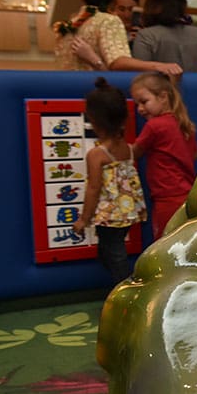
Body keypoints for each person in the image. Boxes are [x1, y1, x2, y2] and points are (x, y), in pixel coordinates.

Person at [72, 77, 147, 284]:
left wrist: (83, 219)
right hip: (127, 213)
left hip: (110, 216)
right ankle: (124, 287)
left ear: (94, 121)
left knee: (115, 256)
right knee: (109, 253)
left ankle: (127, 293)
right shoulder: (128, 148)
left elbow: (93, 188)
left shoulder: (97, 154)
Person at [56, 0, 182, 76]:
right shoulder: (108, 21)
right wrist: (159, 66)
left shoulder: (67, 26)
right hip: (99, 97)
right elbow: (118, 63)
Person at [129, 71, 197, 239]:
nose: (140, 109)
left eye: (144, 102)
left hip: (167, 199)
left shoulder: (155, 126)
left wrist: (109, 148)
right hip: (187, 196)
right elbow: (194, 154)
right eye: (137, 104)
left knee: (164, 245)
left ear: (163, 97)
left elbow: (134, 153)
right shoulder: (183, 124)